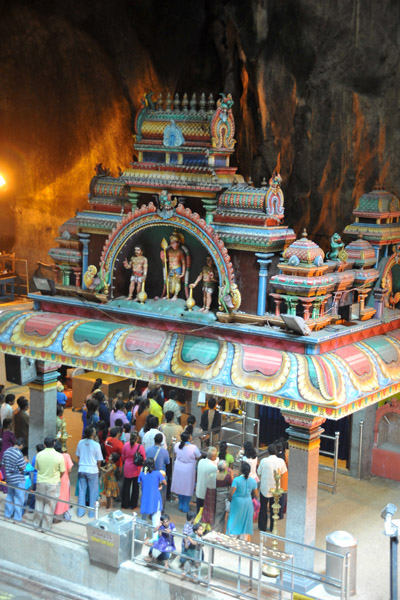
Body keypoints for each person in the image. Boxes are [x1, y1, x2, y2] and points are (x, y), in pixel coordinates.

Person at [34, 437, 65, 531]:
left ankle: (36, 525)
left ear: (44, 444)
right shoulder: (59, 456)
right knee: (49, 504)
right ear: (54, 444)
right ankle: (45, 527)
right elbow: (62, 471)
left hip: (40, 482)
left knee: (39, 503)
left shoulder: (39, 454)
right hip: (53, 483)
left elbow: (37, 468)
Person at [257, 443, 287, 532]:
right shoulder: (281, 461)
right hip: (275, 488)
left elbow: (259, 473)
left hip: (265, 487)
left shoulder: (263, 461)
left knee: (263, 508)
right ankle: (273, 527)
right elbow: (282, 473)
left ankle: (262, 527)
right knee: (274, 509)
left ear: (268, 452)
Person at [76, 426, 103, 518]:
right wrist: (97, 469)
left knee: (82, 490)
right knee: (93, 491)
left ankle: (80, 512)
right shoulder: (96, 445)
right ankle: (91, 513)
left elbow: (78, 456)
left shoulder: (80, 443)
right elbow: (99, 460)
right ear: (92, 434)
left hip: (82, 469)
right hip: (92, 470)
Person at [226, 461, 258, 540]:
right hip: (248, 503)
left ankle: (232, 540)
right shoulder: (253, 481)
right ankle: (243, 541)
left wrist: (230, 501)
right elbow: (256, 495)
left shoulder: (236, 480)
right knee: (245, 523)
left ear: (241, 470)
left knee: (234, 520)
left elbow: (231, 494)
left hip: (237, 503)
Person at [171, 432, 201, 513]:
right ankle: (185, 505)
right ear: (189, 438)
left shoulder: (177, 445)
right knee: (188, 487)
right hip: (189, 469)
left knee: (180, 486)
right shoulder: (193, 447)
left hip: (178, 467)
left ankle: (181, 504)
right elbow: (198, 456)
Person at [138, 458, 166, 533]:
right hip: (155, 498)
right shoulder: (157, 473)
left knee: (143, 518)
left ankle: (141, 535)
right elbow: (165, 482)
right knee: (156, 519)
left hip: (145, 498)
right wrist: (160, 485)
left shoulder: (142, 474)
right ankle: (155, 537)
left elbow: (141, 484)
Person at [1, 437, 26, 521]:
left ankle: (7, 516)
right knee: (19, 498)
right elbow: (23, 467)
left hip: (9, 478)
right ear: (21, 445)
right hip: (18, 479)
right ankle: (17, 518)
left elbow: (3, 463)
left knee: (9, 496)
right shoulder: (18, 453)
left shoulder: (6, 451)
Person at [160, 410, 183, 500]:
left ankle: (165, 493)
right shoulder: (179, 428)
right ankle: (171, 494)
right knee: (172, 475)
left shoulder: (163, 428)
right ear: (173, 418)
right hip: (175, 455)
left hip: (165, 455)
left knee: (166, 473)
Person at [121, 431, 146, 509]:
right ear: (137, 438)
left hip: (127, 468)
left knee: (126, 487)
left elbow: (123, 456)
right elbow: (144, 458)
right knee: (135, 488)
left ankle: (124, 504)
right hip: (136, 469)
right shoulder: (140, 447)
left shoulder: (125, 445)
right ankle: (133, 505)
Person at [161, 231, 186, 300]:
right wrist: (164, 260)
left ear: (178, 243)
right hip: (170, 268)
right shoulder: (168, 251)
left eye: (174, 243)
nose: (172, 244)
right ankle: (169, 294)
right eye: (171, 243)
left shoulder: (180, 252)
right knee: (169, 281)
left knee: (177, 282)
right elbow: (166, 260)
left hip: (177, 268)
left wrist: (183, 273)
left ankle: (176, 295)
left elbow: (183, 263)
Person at [146, 433, 170, 507]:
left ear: (154, 440)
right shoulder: (165, 451)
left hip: (150, 474)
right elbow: (167, 463)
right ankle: (160, 508)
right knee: (161, 493)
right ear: (162, 441)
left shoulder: (148, 449)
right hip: (160, 475)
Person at [53, 439, 73, 520]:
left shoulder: (53, 456)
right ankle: (61, 514)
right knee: (64, 497)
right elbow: (70, 469)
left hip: (54, 479)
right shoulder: (66, 456)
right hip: (64, 479)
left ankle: (54, 514)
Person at [195, 447, 218, 515]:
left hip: (199, 491)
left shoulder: (200, 462)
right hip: (207, 493)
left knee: (198, 512)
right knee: (207, 514)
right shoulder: (214, 467)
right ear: (214, 457)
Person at [214, 460, 233, 532]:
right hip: (224, 496)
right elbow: (232, 484)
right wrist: (231, 474)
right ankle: (219, 531)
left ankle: (215, 529)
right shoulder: (227, 477)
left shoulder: (214, 475)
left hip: (216, 495)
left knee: (215, 514)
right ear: (225, 468)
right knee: (221, 516)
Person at [0, 418, 16, 491]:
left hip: (1, 453)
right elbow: (15, 442)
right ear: (9, 424)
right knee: (7, 470)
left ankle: (1, 486)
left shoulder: (1, 431)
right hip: (8, 454)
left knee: (2, 470)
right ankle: (6, 488)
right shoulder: (10, 433)